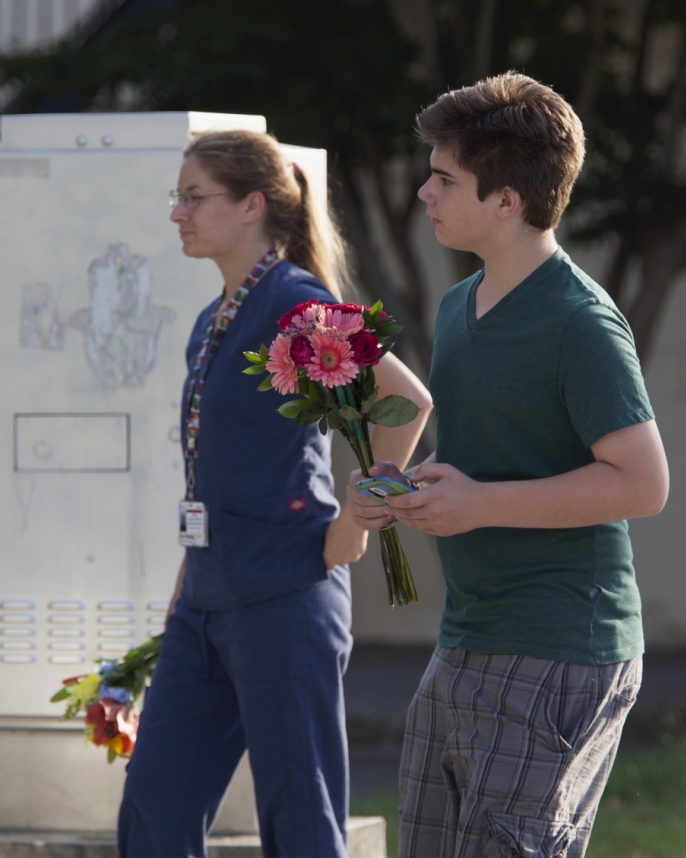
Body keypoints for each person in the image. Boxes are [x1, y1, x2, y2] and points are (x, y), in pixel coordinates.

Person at [347, 73, 670, 858]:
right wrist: (397, 488)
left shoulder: (581, 323)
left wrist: (481, 504)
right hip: (469, 635)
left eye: (444, 178)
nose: (423, 192)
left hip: (561, 642)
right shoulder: (461, 306)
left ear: (507, 201)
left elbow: (643, 483)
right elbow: (483, 461)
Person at [118, 129, 433, 858]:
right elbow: (216, 471)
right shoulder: (209, 322)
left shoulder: (296, 302)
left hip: (286, 597)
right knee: (153, 809)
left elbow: (410, 401)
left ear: (253, 204)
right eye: (178, 198)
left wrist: (360, 519)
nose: (178, 213)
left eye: (194, 197)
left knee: (299, 823)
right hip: (204, 602)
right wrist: (181, 591)